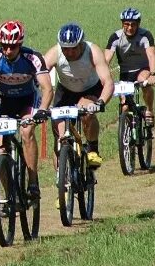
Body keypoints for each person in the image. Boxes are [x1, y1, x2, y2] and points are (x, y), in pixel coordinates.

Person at [0, 20, 54, 205]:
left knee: (27, 132)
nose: (7, 51)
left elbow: (47, 88)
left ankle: (32, 181)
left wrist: (43, 111)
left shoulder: (33, 58)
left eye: (12, 47)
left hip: (28, 101)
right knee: (0, 146)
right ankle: (9, 195)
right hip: (5, 102)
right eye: (4, 46)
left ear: (20, 45)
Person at [44, 23, 114, 170]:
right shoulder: (55, 53)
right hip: (65, 91)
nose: (69, 52)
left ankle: (93, 148)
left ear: (81, 43)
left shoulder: (92, 51)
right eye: (65, 49)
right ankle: (62, 179)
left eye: (73, 48)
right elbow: (38, 74)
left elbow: (108, 82)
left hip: (90, 90)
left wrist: (101, 102)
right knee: (60, 136)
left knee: (87, 114)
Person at [104, 8, 155, 126]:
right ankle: (126, 135)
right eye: (126, 24)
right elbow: (106, 59)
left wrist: (153, 74)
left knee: (144, 81)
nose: (129, 28)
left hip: (142, 69)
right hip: (125, 73)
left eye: (133, 25)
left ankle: (149, 110)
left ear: (138, 24)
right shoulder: (116, 37)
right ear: (122, 24)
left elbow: (151, 55)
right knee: (125, 106)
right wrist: (102, 77)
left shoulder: (145, 35)